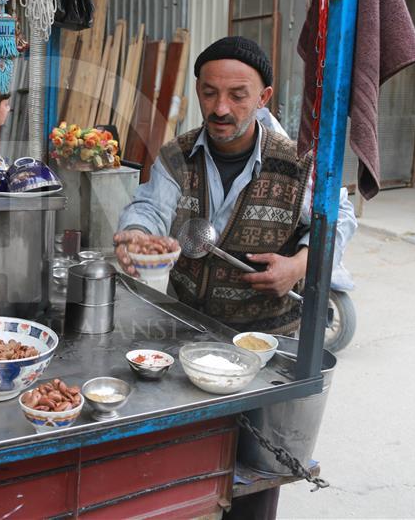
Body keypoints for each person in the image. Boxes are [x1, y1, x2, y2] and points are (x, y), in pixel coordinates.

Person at [115, 36, 357, 336]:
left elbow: (339, 216)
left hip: (266, 340)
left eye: (238, 96)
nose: (220, 109)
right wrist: (137, 235)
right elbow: (151, 207)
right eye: (209, 93)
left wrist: (298, 265)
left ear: (263, 97)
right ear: (197, 90)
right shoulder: (176, 156)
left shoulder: (297, 163)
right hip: (185, 327)